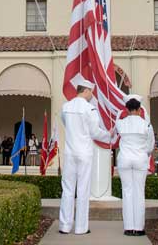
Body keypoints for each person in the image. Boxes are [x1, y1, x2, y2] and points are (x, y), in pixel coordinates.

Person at [58, 82, 111, 235]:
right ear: (86, 90)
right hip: (85, 153)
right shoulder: (90, 109)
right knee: (83, 190)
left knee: (67, 189)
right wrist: (109, 134)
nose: (92, 95)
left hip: (70, 152)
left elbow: (65, 123)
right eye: (91, 92)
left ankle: (64, 226)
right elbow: (95, 132)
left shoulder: (65, 107)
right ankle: (81, 227)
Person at [116, 95, 154, 237]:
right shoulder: (146, 124)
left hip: (124, 159)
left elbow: (117, 123)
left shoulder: (121, 123)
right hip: (139, 159)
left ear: (127, 109)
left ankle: (128, 227)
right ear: (139, 110)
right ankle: (138, 227)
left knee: (127, 192)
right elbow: (150, 146)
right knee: (139, 192)